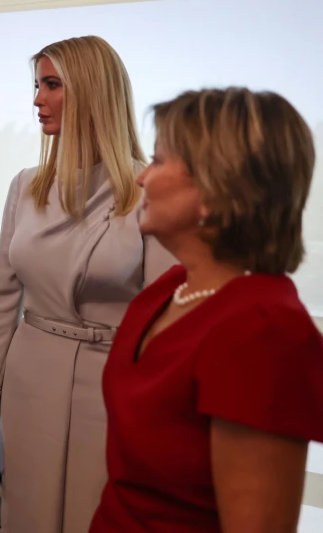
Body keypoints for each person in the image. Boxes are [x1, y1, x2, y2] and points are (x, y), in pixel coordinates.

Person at [89, 87, 323, 533]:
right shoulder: (166, 291)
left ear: (216, 188)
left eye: (158, 161)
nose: (142, 178)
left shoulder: (263, 331)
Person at [0, 35, 176, 533]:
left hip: (111, 391)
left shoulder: (147, 188)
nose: (37, 99)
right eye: (37, 85)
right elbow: (2, 301)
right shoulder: (26, 185)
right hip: (28, 383)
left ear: (91, 90)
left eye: (52, 85)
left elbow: (165, 322)